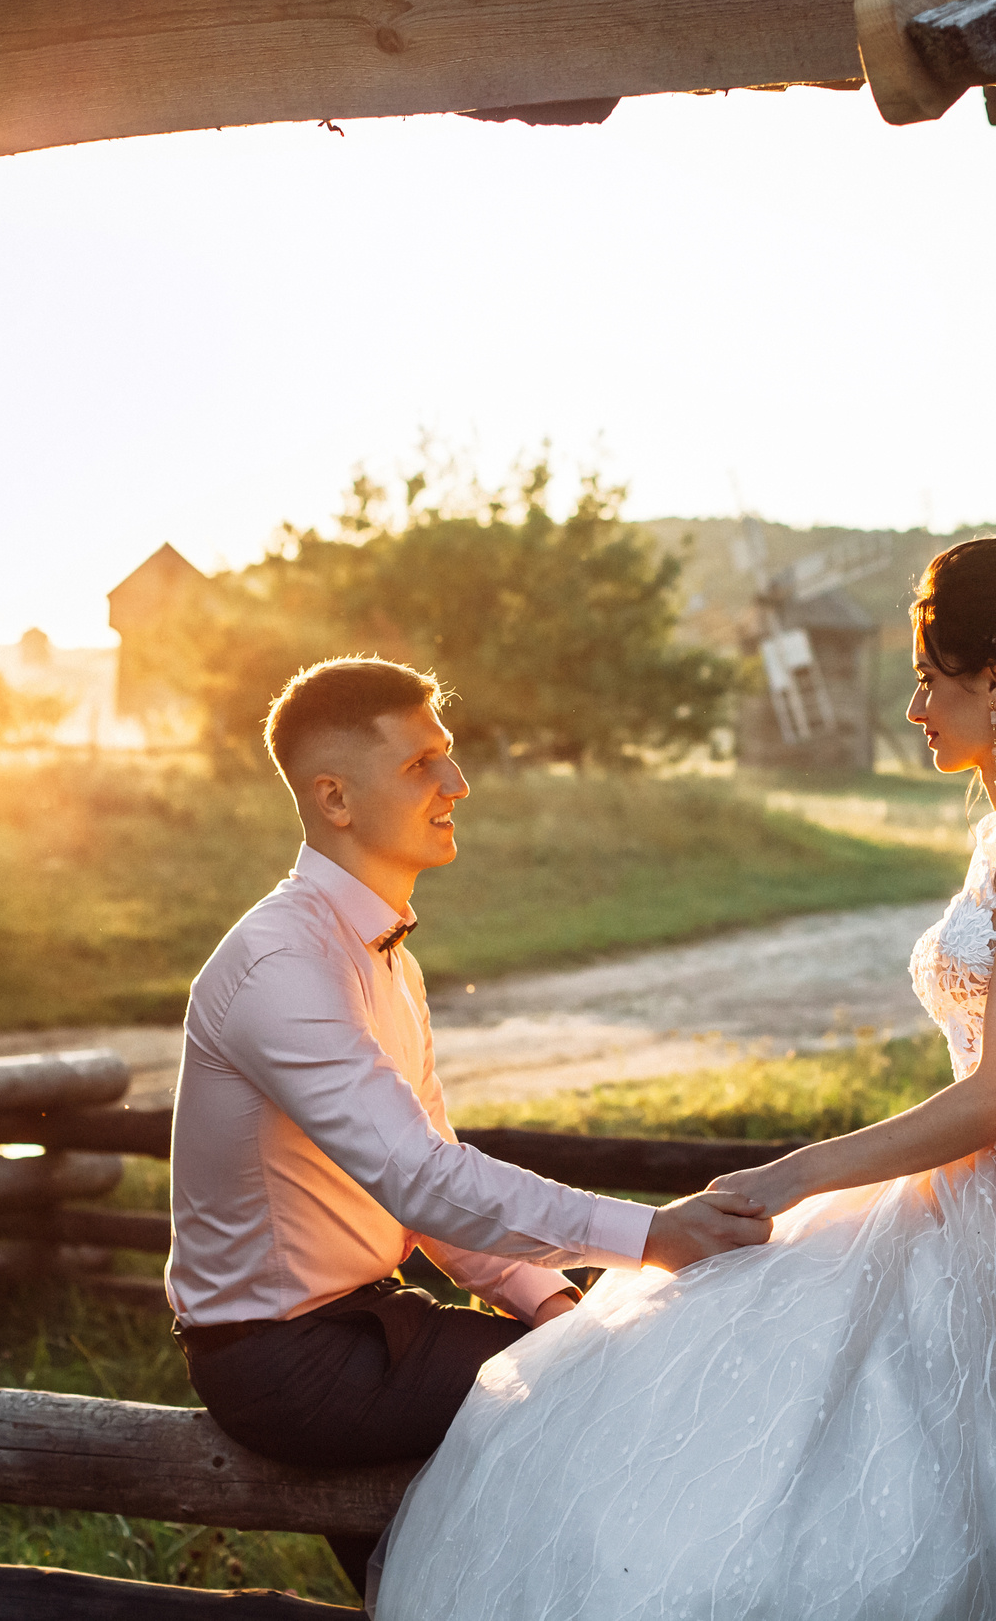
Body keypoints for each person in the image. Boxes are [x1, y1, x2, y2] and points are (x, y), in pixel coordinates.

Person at [375, 537, 996, 1620]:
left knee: (954, 1481)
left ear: (994, 681)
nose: (913, 708)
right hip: (975, 1184)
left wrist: (803, 1172)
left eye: (928, 680)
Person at [164, 655, 772, 1591]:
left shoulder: (388, 962)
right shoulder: (279, 965)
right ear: (334, 797)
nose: (458, 783)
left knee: (582, 1359)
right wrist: (652, 1236)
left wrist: (546, 1298)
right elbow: (422, 1181)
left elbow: (432, 1177)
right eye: (421, 765)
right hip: (282, 1360)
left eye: (447, 757)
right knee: (599, 1393)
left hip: (360, 1329)